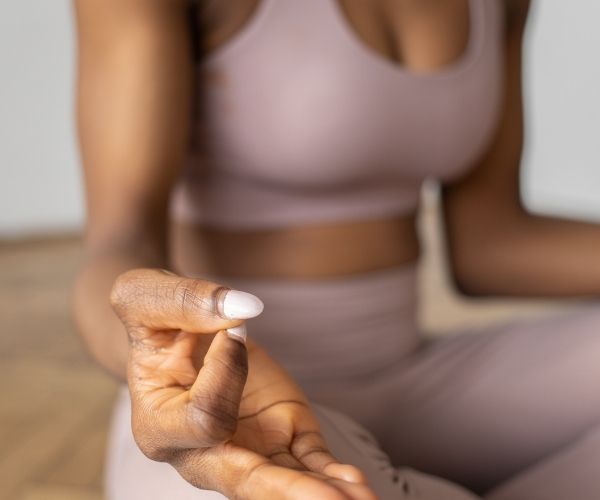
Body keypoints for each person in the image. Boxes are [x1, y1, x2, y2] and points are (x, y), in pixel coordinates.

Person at [72, 0, 600, 498]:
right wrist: (167, 366)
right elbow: (119, 242)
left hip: (413, 379)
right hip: (236, 405)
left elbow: (492, 244)